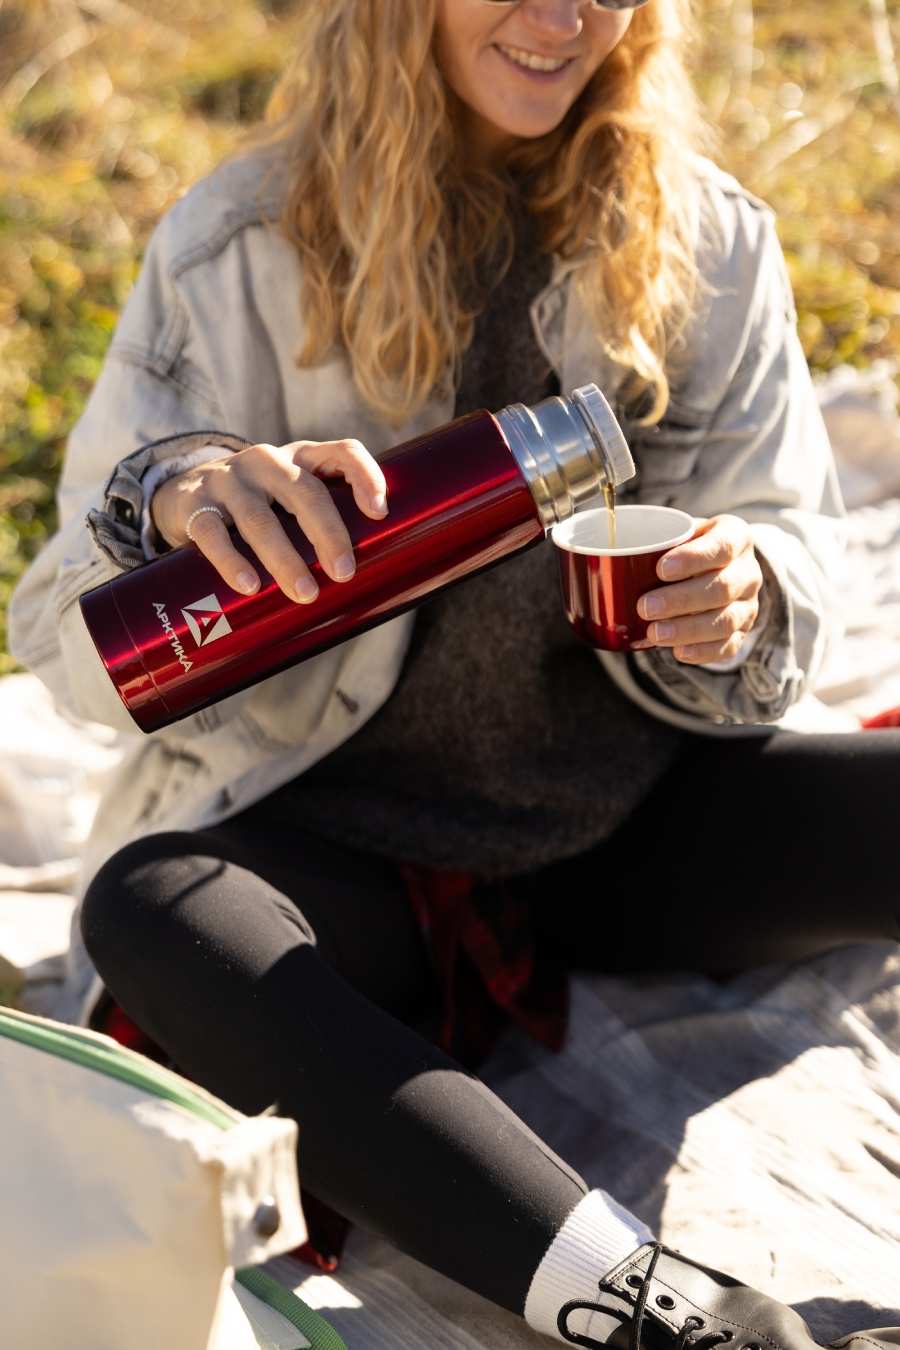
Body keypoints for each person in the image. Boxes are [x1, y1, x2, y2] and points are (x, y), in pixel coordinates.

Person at [9, 0, 900, 1345]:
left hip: (621, 828)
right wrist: (173, 494)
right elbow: (63, 648)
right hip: (336, 855)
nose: (562, 18)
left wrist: (750, 595)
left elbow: (792, 543)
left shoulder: (709, 238)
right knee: (154, 913)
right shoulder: (234, 247)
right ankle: (670, 1316)